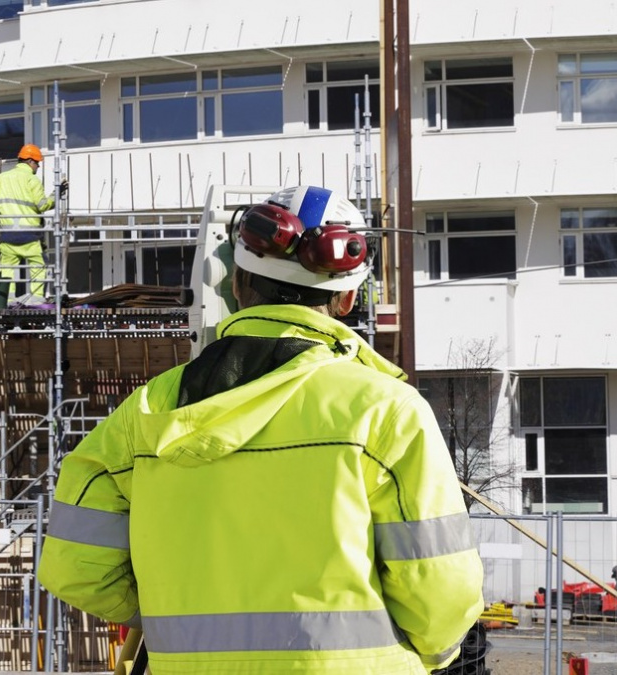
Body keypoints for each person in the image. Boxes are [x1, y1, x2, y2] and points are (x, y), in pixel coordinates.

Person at [38, 185, 484, 674]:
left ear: (235, 282)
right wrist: (436, 653)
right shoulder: (385, 410)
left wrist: (179, 615)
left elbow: (74, 568)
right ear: (350, 296)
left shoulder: (143, 413)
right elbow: (442, 593)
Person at [0, 143, 67, 304]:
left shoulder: (1, 178)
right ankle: (36, 299)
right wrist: (56, 193)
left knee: (7, 269)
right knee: (37, 266)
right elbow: (42, 205)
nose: (37, 166)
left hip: (8, 234)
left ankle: (8, 300)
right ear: (30, 161)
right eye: (37, 163)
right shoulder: (32, 179)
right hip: (30, 235)